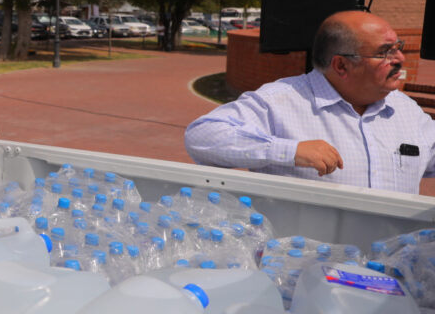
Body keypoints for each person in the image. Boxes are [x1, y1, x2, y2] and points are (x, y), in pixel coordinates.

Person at [185, 10, 435, 194]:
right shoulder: (280, 101)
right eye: (385, 52)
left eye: (398, 47)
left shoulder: (406, 110)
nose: (400, 58)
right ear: (341, 65)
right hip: (306, 263)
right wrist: (289, 151)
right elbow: (202, 136)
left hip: (394, 262)